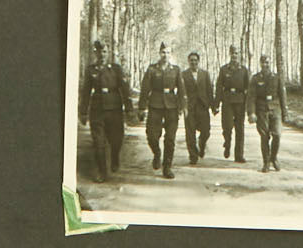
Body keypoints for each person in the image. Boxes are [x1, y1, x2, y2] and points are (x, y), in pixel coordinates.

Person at [78, 39, 131, 182]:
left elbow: (124, 89)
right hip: (97, 110)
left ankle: (115, 157)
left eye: (105, 52)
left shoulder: (116, 69)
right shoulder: (91, 70)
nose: (102, 54)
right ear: (95, 53)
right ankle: (102, 172)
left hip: (114, 109)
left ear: (108, 53)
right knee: (98, 142)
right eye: (99, 52)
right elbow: (86, 91)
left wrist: (129, 109)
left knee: (117, 139)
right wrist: (83, 112)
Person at [138, 42, 181, 179]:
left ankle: (167, 167)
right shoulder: (152, 69)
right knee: (151, 135)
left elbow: (182, 89)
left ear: (171, 54)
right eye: (163, 52)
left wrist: (183, 106)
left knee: (170, 138)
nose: (165, 55)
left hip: (171, 106)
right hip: (155, 104)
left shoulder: (176, 70)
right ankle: (157, 153)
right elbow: (145, 89)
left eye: (168, 52)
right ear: (159, 53)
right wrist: (141, 107)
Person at [249, 53, 288, 172]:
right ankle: (266, 162)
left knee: (277, 134)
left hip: (275, 109)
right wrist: (252, 112)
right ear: (260, 63)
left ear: (270, 63)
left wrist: (285, 112)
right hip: (261, 109)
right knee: (264, 136)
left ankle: (273, 158)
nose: (265, 65)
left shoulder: (276, 77)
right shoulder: (255, 78)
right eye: (263, 62)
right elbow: (251, 97)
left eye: (267, 62)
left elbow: (282, 95)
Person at [215, 45, 250, 161]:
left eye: (236, 53)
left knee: (239, 128)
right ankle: (227, 143)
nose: (234, 55)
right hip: (227, 100)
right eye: (233, 53)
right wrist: (216, 104)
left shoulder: (244, 70)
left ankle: (239, 155)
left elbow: (248, 88)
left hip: (240, 101)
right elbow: (219, 87)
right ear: (229, 54)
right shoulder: (224, 69)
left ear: (239, 55)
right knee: (227, 126)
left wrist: (248, 105)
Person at [181, 51, 214, 164]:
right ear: (188, 61)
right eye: (191, 60)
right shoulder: (183, 74)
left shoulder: (205, 74)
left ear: (198, 61)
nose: (193, 62)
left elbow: (209, 90)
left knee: (206, 131)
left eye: (195, 60)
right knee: (190, 133)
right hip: (189, 107)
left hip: (202, 106)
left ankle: (202, 144)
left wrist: (213, 106)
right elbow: (181, 92)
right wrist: (182, 106)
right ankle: (193, 156)